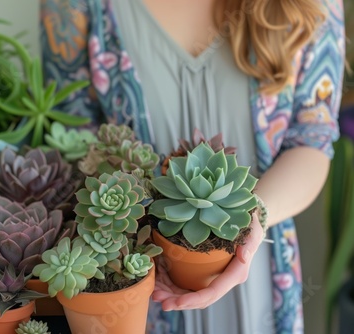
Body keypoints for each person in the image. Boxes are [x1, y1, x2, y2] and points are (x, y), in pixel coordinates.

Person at [39, 0, 345, 333]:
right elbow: (71, 136)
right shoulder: (72, 6)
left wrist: (253, 221)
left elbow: (311, 141)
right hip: (138, 282)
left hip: (258, 278)